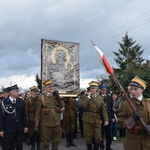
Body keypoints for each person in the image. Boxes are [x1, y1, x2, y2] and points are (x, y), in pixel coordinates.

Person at [118, 76, 150, 150]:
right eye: (131, 89)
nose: (132, 92)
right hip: (132, 143)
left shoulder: (148, 104)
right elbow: (120, 124)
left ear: (142, 89)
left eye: (135, 89)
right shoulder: (126, 104)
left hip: (147, 143)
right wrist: (132, 119)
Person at [35, 80, 64, 150]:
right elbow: (38, 112)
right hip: (46, 124)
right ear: (45, 88)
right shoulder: (41, 97)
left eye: (52, 87)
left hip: (56, 122)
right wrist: (36, 125)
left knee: (56, 142)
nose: (51, 88)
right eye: (49, 87)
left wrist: (59, 97)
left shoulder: (55, 96)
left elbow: (62, 106)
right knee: (45, 143)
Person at [82, 81, 109, 150]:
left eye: (94, 88)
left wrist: (106, 119)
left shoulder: (100, 98)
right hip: (87, 119)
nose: (92, 89)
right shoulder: (85, 97)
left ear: (97, 89)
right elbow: (83, 106)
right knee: (88, 137)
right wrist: (88, 96)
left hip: (97, 119)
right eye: (91, 88)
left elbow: (103, 110)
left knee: (98, 137)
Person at [0, 84, 28, 150]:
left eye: (18, 91)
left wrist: (25, 126)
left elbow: (24, 115)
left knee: (19, 146)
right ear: (11, 93)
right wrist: (1, 129)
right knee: (9, 146)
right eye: (16, 91)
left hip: (19, 128)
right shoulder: (4, 102)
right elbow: (1, 117)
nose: (18, 93)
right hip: (9, 129)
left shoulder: (20, 101)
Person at [99, 84, 115, 150]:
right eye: (103, 89)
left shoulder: (108, 97)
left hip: (108, 118)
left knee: (109, 134)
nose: (104, 90)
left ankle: (108, 146)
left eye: (105, 89)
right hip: (101, 118)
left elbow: (111, 108)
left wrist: (112, 117)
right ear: (100, 90)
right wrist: (99, 119)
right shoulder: (98, 97)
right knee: (101, 134)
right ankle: (101, 146)